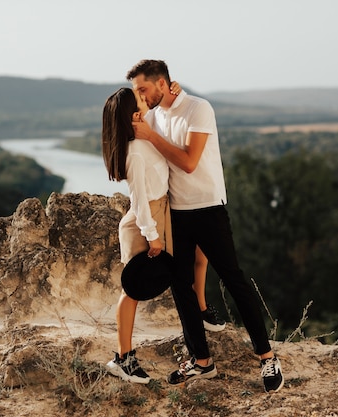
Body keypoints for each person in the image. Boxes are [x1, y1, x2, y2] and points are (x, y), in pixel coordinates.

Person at [127, 59, 284, 392]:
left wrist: (151, 135)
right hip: (176, 214)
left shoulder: (198, 109)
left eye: (142, 89)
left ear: (161, 83)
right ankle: (202, 362)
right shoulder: (153, 116)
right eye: (135, 91)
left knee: (233, 280)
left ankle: (267, 357)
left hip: (209, 208)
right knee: (180, 286)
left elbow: (188, 162)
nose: (139, 96)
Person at [101, 87, 169, 383]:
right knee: (132, 290)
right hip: (145, 222)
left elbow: (162, 110)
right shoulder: (136, 153)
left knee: (149, 283)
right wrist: (153, 235)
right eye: (140, 99)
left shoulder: (142, 138)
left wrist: (175, 89)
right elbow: (140, 201)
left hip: (158, 214)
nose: (146, 101)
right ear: (133, 114)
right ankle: (123, 358)